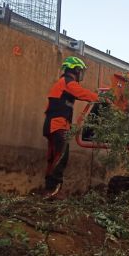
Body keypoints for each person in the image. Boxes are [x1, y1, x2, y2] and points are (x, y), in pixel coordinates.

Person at [43, 56, 98, 199]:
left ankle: (49, 190)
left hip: (54, 124)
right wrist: (101, 98)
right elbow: (82, 93)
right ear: (75, 70)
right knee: (61, 157)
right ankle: (53, 191)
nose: (81, 74)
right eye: (80, 71)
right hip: (58, 124)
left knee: (54, 157)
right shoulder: (67, 82)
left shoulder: (63, 83)